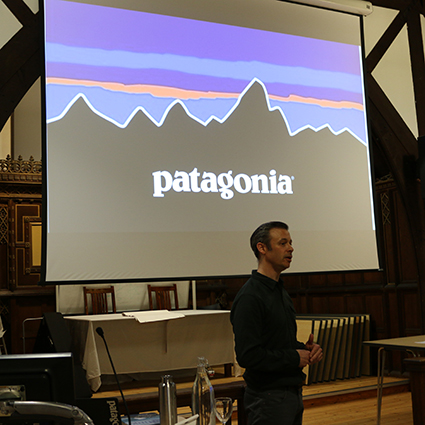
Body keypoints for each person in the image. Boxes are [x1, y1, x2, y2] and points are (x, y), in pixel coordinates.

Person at [230, 221, 323, 425]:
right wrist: (292, 357)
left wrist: (305, 350)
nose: (290, 248)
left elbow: (278, 343)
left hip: (290, 393)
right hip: (268, 398)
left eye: (290, 243)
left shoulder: (279, 291)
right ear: (262, 248)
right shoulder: (250, 297)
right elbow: (248, 355)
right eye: (282, 243)